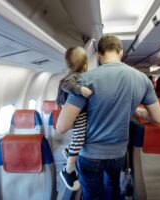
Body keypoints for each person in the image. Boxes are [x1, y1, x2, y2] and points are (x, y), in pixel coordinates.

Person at [56, 35, 160, 199]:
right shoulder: (142, 79)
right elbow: (159, 118)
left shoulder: (84, 80)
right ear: (120, 53)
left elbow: (62, 126)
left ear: (99, 55)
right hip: (118, 153)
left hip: (90, 154)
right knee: (113, 190)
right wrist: (137, 110)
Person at [56, 47, 92, 191]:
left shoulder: (76, 75)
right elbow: (65, 85)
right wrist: (80, 90)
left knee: (80, 134)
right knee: (79, 135)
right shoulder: (73, 76)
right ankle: (68, 169)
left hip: (77, 111)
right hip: (76, 111)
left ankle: (69, 149)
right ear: (84, 65)